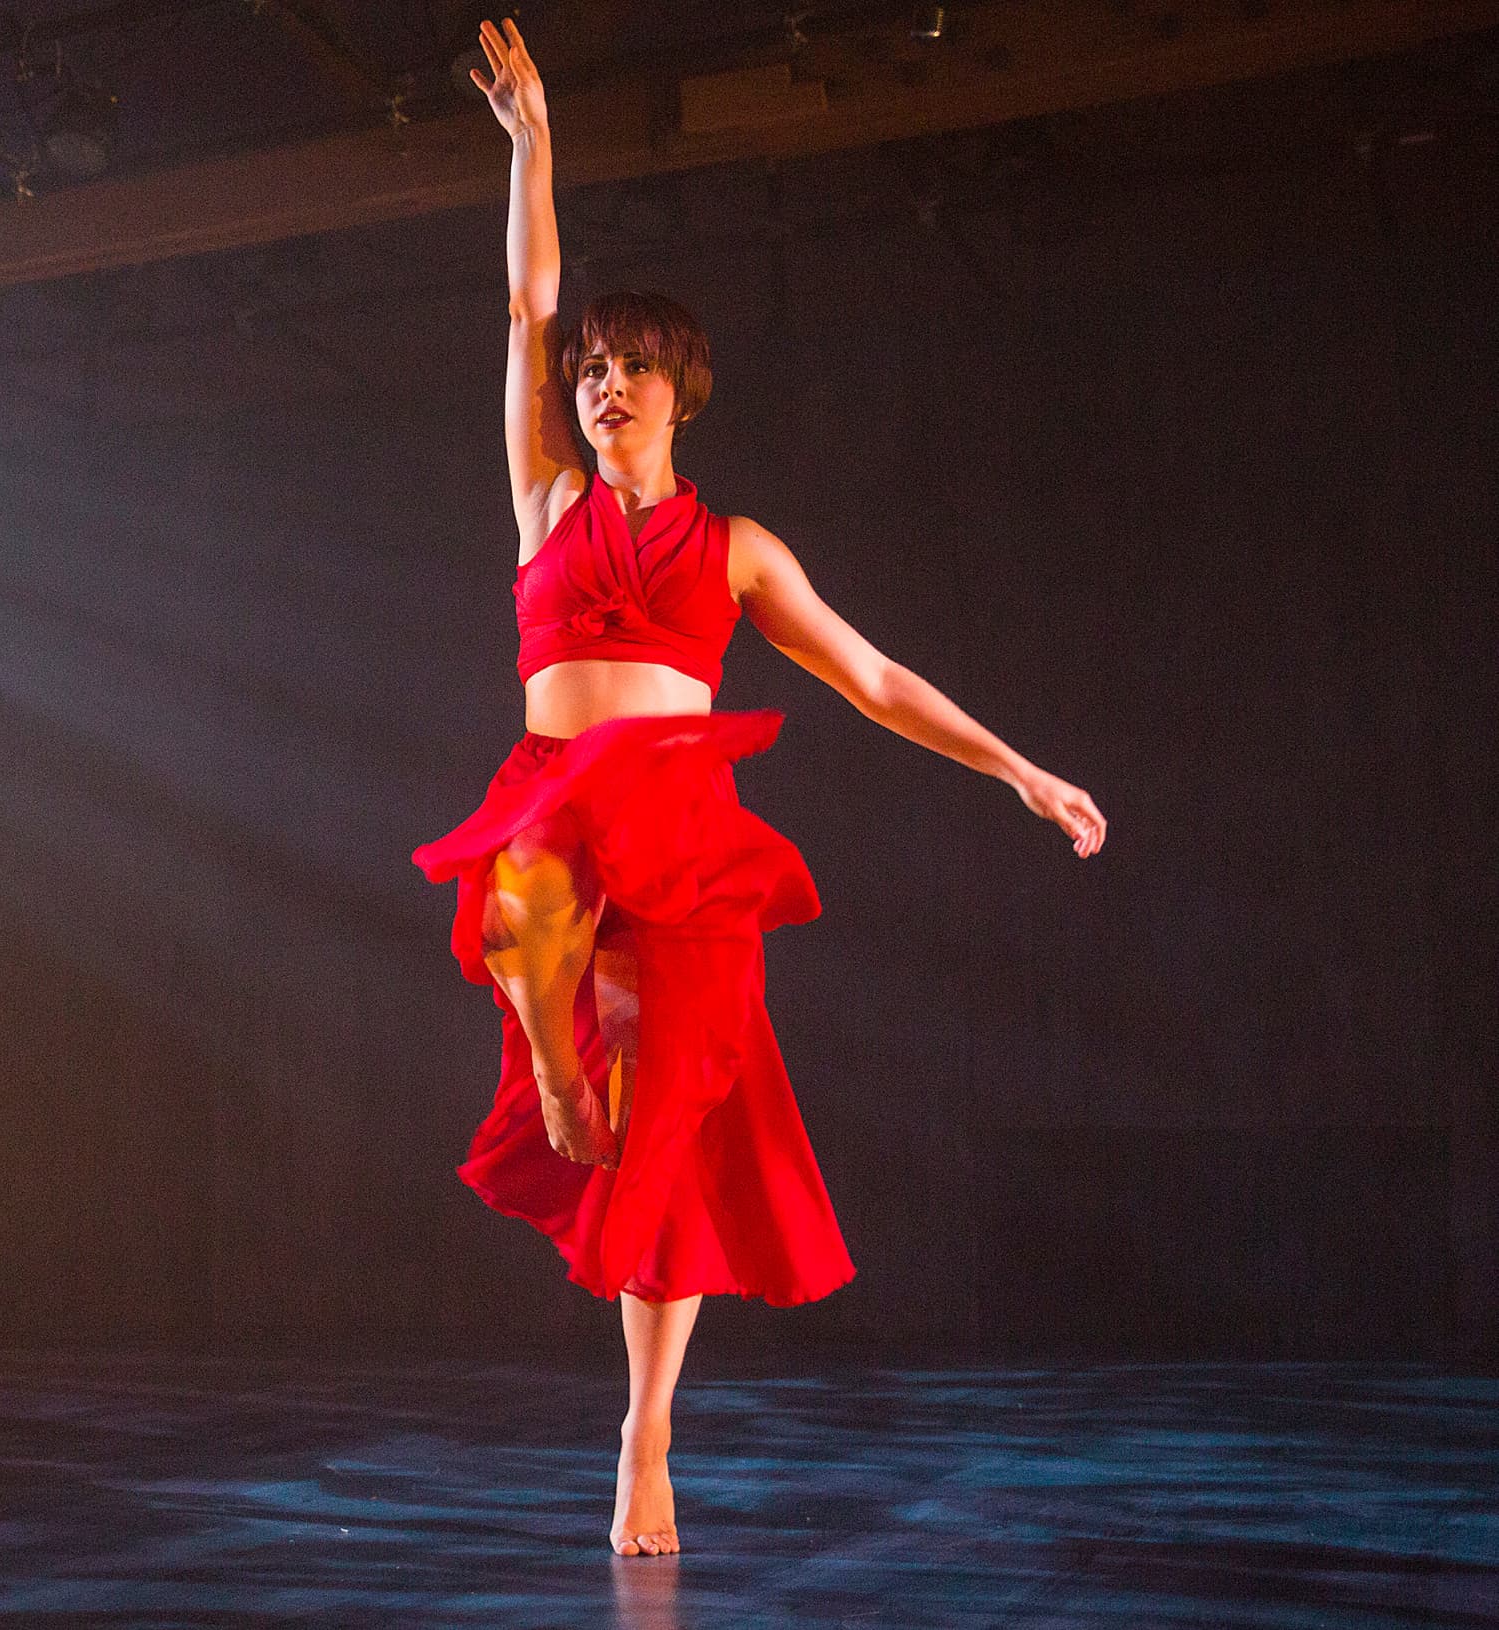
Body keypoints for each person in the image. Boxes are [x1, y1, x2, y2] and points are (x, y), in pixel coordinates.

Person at [415, 19, 1108, 1559]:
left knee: (669, 1144)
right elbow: (526, 305)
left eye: (631, 370)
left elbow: (875, 678)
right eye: (594, 371)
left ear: (683, 394)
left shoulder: (737, 552)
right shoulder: (543, 499)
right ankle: (556, 1052)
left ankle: (646, 1431)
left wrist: (1019, 768)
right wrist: (533, 146)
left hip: (682, 839)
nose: (605, 386)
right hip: (559, 805)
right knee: (528, 865)